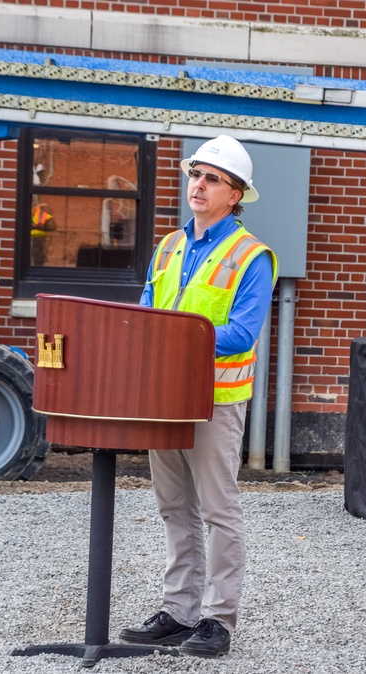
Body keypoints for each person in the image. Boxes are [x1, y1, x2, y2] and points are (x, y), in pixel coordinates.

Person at [119, 135, 278, 658]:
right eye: (196, 174)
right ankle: (178, 611)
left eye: (213, 178)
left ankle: (217, 621)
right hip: (164, 396)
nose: (199, 184)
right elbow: (143, 317)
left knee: (218, 510)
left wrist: (176, 337)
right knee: (173, 507)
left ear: (236, 195)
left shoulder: (252, 255)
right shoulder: (168, 247)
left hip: (215, 400)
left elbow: (242, 332)